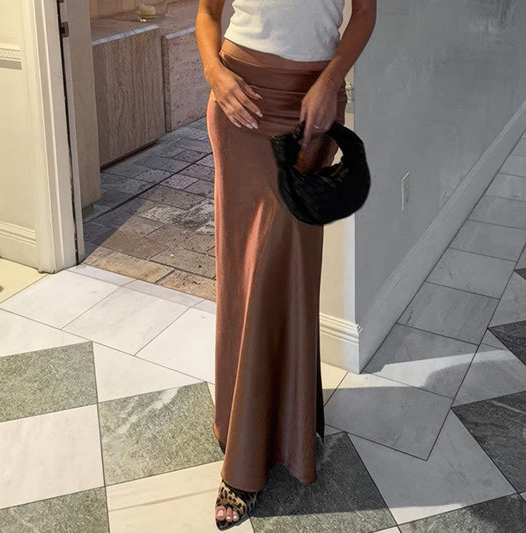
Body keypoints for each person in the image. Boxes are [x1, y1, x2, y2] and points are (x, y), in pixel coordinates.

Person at [195, 0, 376, 528]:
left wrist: (330, 81)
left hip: (308, 109)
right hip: (239, 102)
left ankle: (277, 428)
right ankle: (243, 446)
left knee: (284, 272)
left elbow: (365, 12)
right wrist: (214, 74)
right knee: (243, 273)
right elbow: (207, 14)